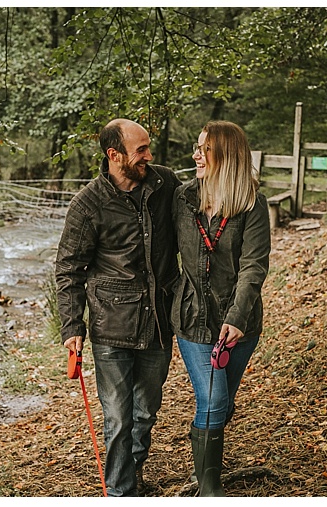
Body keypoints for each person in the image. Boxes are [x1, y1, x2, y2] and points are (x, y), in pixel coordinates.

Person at [56, 119, 180, 496]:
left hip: (159, 321)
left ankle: (132, 467)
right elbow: (68, 268)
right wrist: (71, 326)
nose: (149, 156)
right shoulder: (87, 204)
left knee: (146, 411)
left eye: (148, 148)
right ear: (115, 155)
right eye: (140, 150)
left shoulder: (166, 184)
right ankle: (122, 491)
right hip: (111, 328)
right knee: (117, 418)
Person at [174, 120, 271, 496]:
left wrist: (236, 318)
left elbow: (254, 267)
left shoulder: (251, 204)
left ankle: (202, 460)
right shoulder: (183, 198)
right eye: (197, 148)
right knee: (213, 400)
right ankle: (209, 491)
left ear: (226, 156)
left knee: (221, 404)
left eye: (204, 149)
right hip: (193, 319)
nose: (196, 155)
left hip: (240, 323)